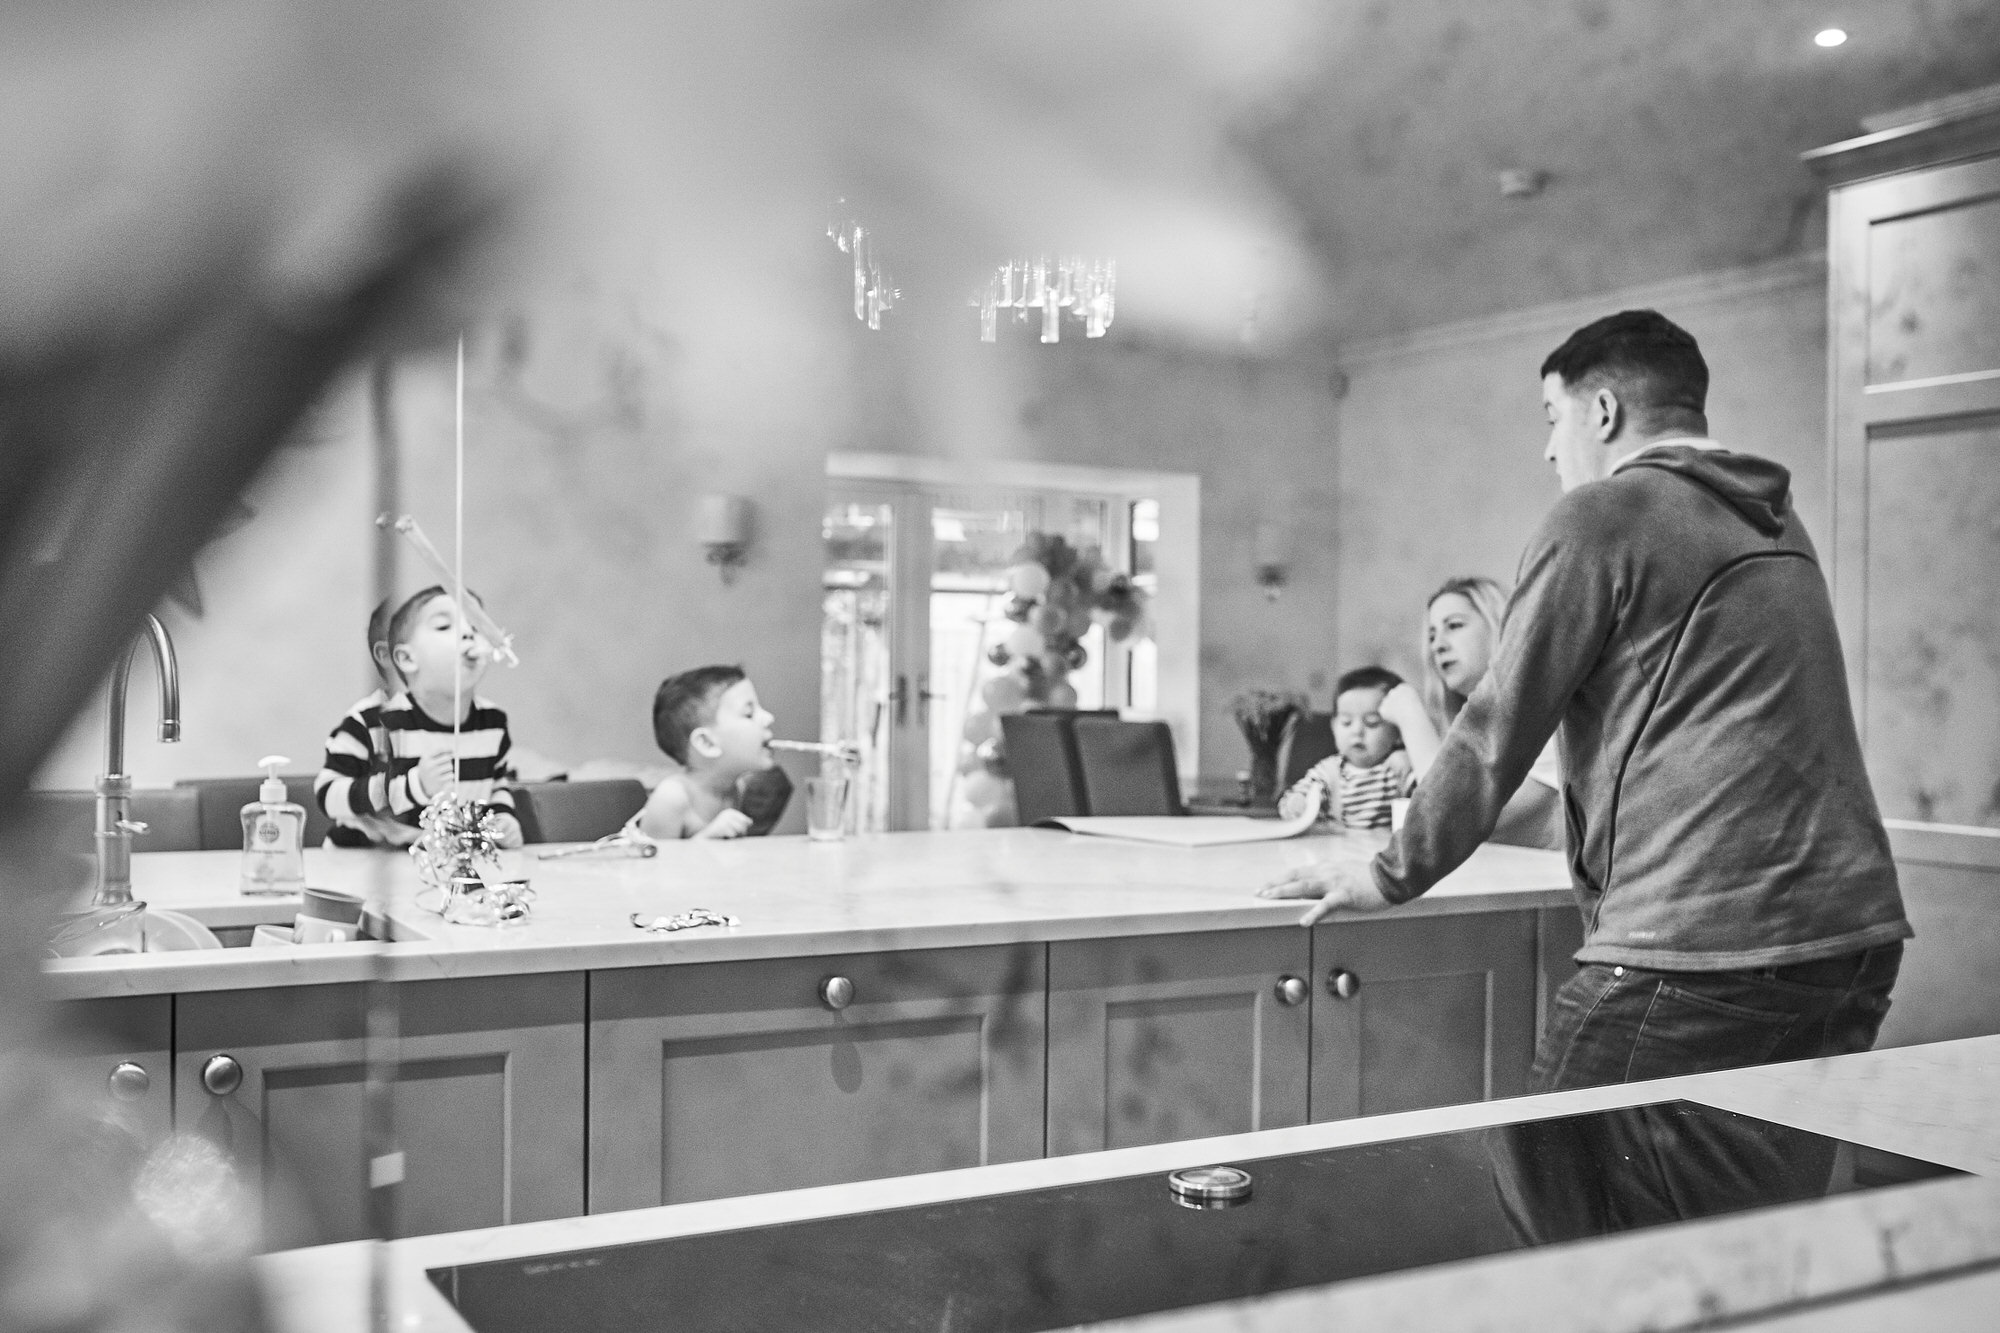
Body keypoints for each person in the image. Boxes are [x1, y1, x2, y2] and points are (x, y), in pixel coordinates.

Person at [1263, 308, 1910, 1092]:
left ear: (1602, 412)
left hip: (1707, 940)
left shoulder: (1602, 514)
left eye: (1551, 418)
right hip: (1854, 936)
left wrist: (1389, 874)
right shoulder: (1776, 521)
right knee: (1739, 1206)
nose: (1547, 448)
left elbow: (1496, 726)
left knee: (1554, 1172)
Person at [363, 585, 524, 846]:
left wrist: (503, 817)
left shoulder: (493, 722)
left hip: (452, 863)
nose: (468, 636)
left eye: (475, 627)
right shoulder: (381, 723)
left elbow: (496, 784)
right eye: (443, 626)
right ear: (406, 658)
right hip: (375, 867)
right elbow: (342, 798)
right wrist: (417, 785)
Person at [1419, 576, 1562, 850]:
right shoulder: (1471, 727)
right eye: (1432, 635)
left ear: (1501, 626)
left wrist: (1411, 719)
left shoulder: (1546, 715)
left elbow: (1450, 823)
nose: (1437, 645)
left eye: (1454, 625)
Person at [313, 596, 417, 847]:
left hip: (433, 859)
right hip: (362, 853)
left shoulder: (465, 722)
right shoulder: (365, 722)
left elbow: (492, 786)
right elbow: (327, 793)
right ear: (387, 655)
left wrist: (504, 819)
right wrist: (395, 790)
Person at [633, 665, 779, 840]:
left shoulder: (736, 788)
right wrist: (707, 838)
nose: (769, 717)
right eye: (749, 713)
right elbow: (653, 865)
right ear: (706, 743)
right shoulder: (671, 797)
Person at [1277, 666, 1418, 829]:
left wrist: (1410, 760)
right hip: (1341, 852)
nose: (1357, 731)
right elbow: (1297, 795)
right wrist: (1297, 803)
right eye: (1346, 722)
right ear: (1334, 727)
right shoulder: (1329, 772)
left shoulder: (1398, 768)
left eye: (1371, 722)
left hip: (1384, 852)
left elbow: (1432, 801)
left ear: (1398, 731)